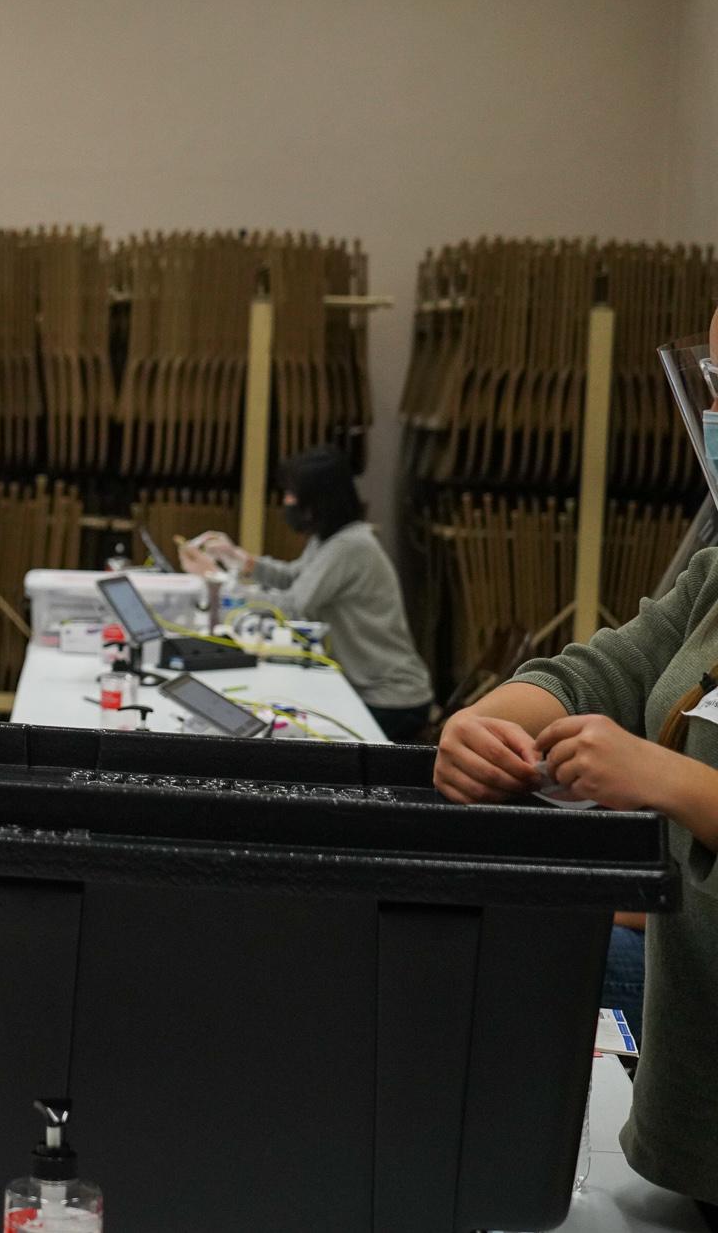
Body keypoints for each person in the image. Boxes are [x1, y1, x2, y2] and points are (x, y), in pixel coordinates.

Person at [435, 314, 718, 1232]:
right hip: (697, 1119)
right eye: (713, 380)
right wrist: (485, 726)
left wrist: (665, 779)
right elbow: (598, 669)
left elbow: (660, 769)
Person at [181, 445, 435, 742]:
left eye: (292, 494)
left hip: (391, 699)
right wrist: (242, 560)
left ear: (318, 499)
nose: (287, 501)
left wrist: (219, 582)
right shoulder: (330, 539)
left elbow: (292, 607)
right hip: (371, 688)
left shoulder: (350, 546)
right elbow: (294, 578)